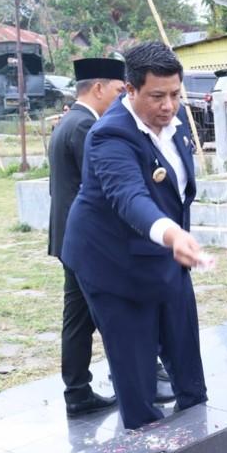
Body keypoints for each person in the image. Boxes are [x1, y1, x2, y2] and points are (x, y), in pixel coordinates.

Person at [61, 42, 208, 430]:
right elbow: (130, 196)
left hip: (165, 254)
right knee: (137, 369)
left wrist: (174, 239)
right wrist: (172, 233)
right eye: (157, 96)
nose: (168, 106)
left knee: (185, 353)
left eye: (176, 94)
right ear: (130, 90)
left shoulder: (175, 129)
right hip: (112, 261)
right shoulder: (109, 135)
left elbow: (174, 191)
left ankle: (199, 426)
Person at [49, 58, 178, 417]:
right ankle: (139, 381)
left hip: (69, 239)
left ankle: (78, 391)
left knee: (78, 319)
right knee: (115, 315)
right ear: (98, 88)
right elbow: (108, 189)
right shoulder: (90, 128)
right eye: (120, 91)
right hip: (91, 244)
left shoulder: (69, 123)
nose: (122, 99)